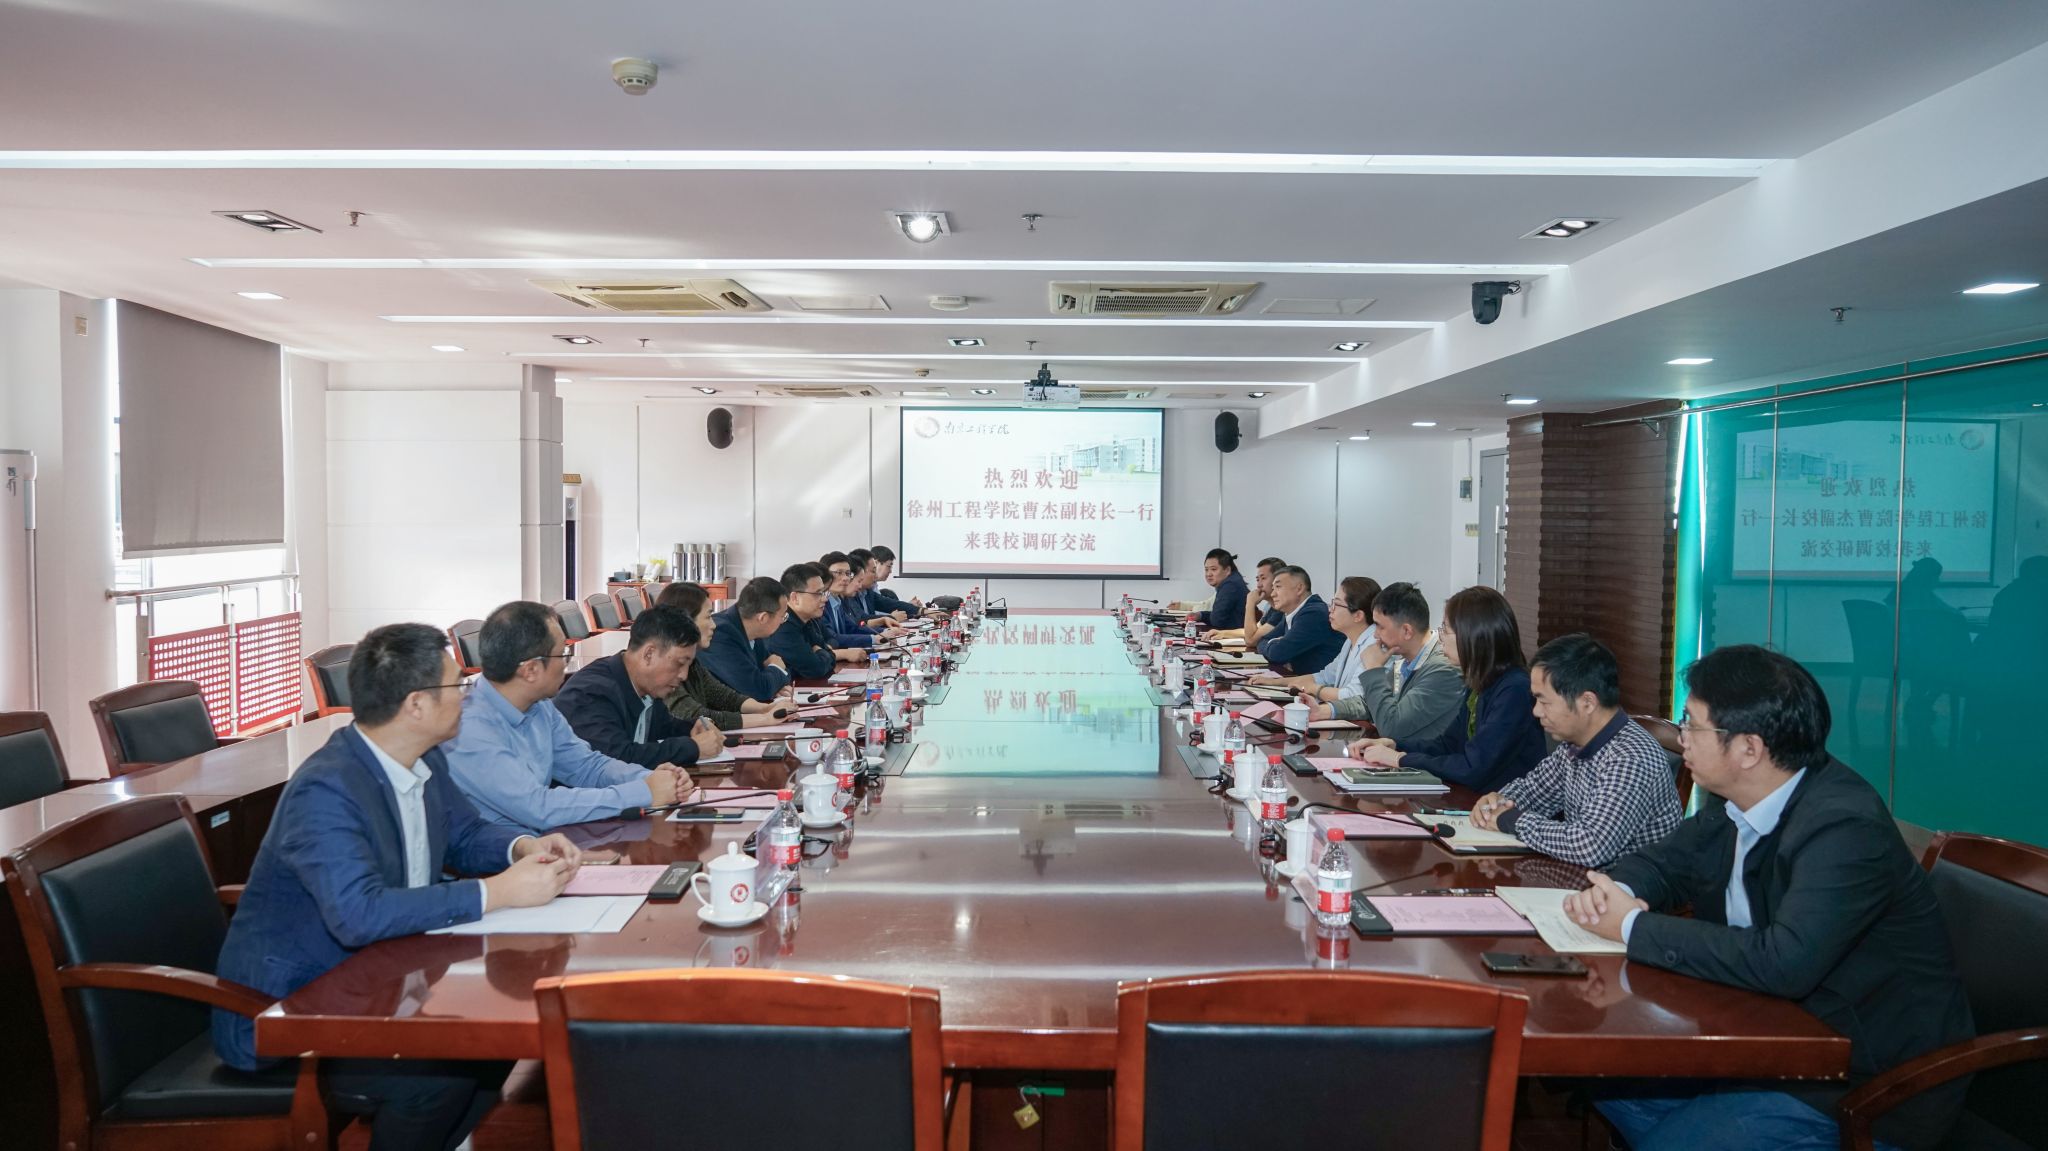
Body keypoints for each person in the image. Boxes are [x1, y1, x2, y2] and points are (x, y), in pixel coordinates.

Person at [1566, 645, 1972, 1151]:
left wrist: (1632, 927)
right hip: (1761, 1036)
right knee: (1590, 1072)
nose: (1681, 737)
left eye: (1691, 724)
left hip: (1862, 1081)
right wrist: (1617, 893)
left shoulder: (1844, 827)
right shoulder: (1738, 801)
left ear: (1748, 749)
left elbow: (1785, 962)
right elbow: (1664, 862)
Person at [213, 623, 582, 1150]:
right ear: (417, 704)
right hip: (288, 1011)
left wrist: (524, 846)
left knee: (489, 1049)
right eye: (458, 685)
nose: (469, 695)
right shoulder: (327, 789)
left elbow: (465, 834)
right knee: (437, 1078)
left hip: (381, 982)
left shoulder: (424, 757)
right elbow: (358, 914)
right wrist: (498, 893)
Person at [443, 601, 686, 833]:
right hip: (501, 855)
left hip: (547, 842)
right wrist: (643, 792)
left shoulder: (540, 706)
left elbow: (586, 766)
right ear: (531, 670)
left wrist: (650, 778)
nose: (567, 664)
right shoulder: (470, 728)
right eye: (563, 654)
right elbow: (538, 807)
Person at [1467, 633, 1681, 866]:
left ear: (1587, 702)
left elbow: (1590, 846)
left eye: (1544, 702)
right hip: (1579, 878)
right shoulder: (1575, 744)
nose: (1536, 711)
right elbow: (1534, 791)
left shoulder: (1630, 757)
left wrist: (1512, 820)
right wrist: (1497, 803)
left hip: (1624, 886)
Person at [1347, 586, 1544, 792]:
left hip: (1505, 803)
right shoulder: (1481, 682)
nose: (1440, 637)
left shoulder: (1514, 690)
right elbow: (1448, 744)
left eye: (1445, 630)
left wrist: (1400, 759)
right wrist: (1394, 745)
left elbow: (1473, 767)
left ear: (1472, 635)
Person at [555, 603, 726, 769]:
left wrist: (694, 727)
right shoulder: (592, 693)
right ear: (649, 654)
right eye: (680, 663)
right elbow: (616, 759)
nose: (684, 675)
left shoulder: (647, 686)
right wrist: (692, 748)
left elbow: (664, 727)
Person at [1311, 581, 1464, 743]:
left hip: (1421, 757)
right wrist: (1325, 710)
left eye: (1380, 627)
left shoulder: (1443, 670)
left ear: (1406, 631)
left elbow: (1391, 727)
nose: (1375, 635)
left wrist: (1373, 670)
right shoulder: (1404, 659)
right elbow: (1370, 703)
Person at [654, 581, 789, 730]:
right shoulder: (662, 667)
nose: (713, 625)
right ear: (685, 620)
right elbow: (696, 717)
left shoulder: (692, 662)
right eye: (708, 617)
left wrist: (765, 709)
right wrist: (765, 718)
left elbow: (724, 696)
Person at [1275, 575, 1379, 704]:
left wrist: (1314, 689)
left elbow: (1354, 696)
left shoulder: (1375, 645)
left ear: (1358, 615)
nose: (1330, 609)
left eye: (1337, 604)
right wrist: (1275, 682)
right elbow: (1324, 677)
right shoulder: (1350, 641)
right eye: (1332, 603)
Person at [700, 575, 794, 701]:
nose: (783, 622)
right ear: (763, 618)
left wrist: (774, 682)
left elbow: (781, 671)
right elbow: (759, 690)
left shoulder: (753, 630)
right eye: (783, 617)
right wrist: (775, 671)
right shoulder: (720, 634)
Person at [768, 562, 863, 678]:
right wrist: (821, 652)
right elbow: (816, 669)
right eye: (818, 593)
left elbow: (830, 657)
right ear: (795, 598)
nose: (825, 599)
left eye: (824, 592)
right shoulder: (783, 627)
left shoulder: (809, 621)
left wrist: (820, 653)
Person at [1256, 565, 1344, 674]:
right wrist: (1276, 643)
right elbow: (1261, 641)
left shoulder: (1314, 614)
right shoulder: (1293, 612)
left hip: (1321, 682)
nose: (1273, 594)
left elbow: (1278, 653)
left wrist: (1276, 644)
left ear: (1299, 589)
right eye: (1273, 588)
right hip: (1303, 679)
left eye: (1278, 587)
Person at [820, 550, 883, 648]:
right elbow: (832, 638)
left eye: (848, 573)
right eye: (839, 573)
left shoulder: (837, 601)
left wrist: (884, 633)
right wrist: (873, 639)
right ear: (825, 575)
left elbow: (852, 628)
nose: (845, 578)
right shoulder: (821, 604)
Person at [868, 544, 923, 615]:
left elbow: (885, 607)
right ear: (876, 563)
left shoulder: (874, 586)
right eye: (889, 566)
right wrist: (894, 615)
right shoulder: (865, 588)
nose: (890, 571)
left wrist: (909, 607)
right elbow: (873, 614)